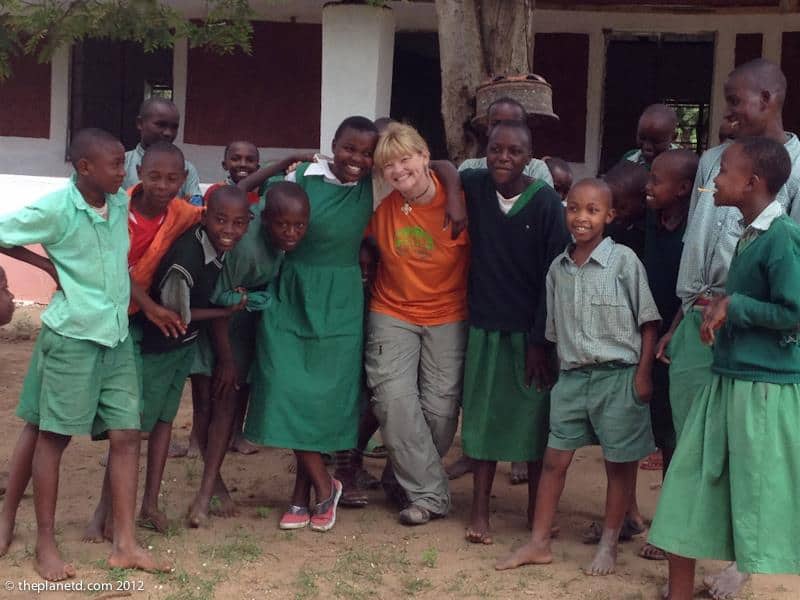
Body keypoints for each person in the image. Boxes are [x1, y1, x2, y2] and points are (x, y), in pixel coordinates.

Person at [655, 59, 800, 599]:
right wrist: (683, 318)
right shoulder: (725, 171)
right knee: (693, 463)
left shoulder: (777, 226)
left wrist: (734, 305)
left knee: (754, 476)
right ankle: (682, 580)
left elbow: (791, 298)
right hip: (709, 338)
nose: (729, 111)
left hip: (761, 370)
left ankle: (741, 564)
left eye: (737, 99)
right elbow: (701, 254)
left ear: (769, 98)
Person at [0, 128, 169, 580]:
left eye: (124, 162)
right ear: (84, 168)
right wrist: (43, 264)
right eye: (115, 165)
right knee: (52, 436)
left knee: (127, 435)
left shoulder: (117, 203)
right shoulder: (57, 208)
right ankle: (45, 542)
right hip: (73, 336)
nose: (124, 171)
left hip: (114, 338)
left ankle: (126, 543)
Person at [496, 178, 660, 576]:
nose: (581, 217)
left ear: (610, 215)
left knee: (618, 463)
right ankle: (538, 541)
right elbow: (553, 332)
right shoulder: (559, 268)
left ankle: (609, 542)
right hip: (571, 379)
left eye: (592, 210)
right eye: (573, 208)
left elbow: (648, 324)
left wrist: (642, 376)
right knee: (554, 460)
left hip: (618, 378)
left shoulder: (624, 262)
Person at [459, 120, 569, 544]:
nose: (503, 158)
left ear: (530, 157)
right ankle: (480, 511)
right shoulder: (475, 184)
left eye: (514, 152)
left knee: (532, 423)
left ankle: (534, 510)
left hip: (529, 334)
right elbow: (441, 169)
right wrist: (453, 197)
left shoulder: (544, 204)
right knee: (483, 421)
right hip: (485, 326)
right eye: (495, 150)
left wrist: (541, 341)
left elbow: (553, 276)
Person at [187, 180, 311, 528]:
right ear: (263, 219)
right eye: (282, 224)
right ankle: (207, 492)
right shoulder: (245, 246)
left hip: (243, 328)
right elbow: (220, 299)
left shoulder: (281, 246)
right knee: (209, 406)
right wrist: (226, 359)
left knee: (229, 408)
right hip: (216, 329)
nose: (290, 232)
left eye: (298, 226)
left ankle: (210, 486)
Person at [363, 122, 469, 525]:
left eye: (406, 158)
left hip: (448, 315)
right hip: (392, 312)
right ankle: (429, 497)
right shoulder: (383, 209)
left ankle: (401, 478)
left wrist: (453, 187)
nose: (398, 170)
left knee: (440, 411)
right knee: (393, 400)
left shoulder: (460, 199)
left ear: (425, 157)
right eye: (388, 165)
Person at [134, 185, 251, 533]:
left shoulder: (215, 247)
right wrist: (223, 311)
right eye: (221, 220)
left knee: (162, 426)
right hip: (158, 348)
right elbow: (173, 314)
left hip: (179, 348)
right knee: (133, 433)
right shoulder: (187, 256)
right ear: (205, 216)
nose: (229, 229)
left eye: (239, 223)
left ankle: (149, 506)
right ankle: (107, 514)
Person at [637, 149, 699, 562]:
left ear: (682, 189)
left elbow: (691, 292)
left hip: (672, 344)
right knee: (654, 430)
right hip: (644, 337)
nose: (648, 185)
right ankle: (630, 516)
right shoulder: (648, 225)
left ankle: (671, 527)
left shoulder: (694, 233)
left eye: (657, 180)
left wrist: (671, 333)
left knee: (676, 438)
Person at [122, 97, 203, 205]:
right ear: (140, 123)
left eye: (174, 127)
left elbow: (196, 208)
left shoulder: (186, 168)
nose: (168, 133)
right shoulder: (122, 163)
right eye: (161, 125)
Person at [459, 97, 554, 186]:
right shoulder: (470, 167)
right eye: (496, 124)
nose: (503, 130)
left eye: (512, 124)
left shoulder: (536, 169)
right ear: (487, 128)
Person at [604, 161, 649, 258]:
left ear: (642, 200)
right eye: (610, 205)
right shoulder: (609, 222)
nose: (615, 213)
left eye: (622, 207)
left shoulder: (648, 229)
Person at [622, 104, 679, 169]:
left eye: (656, 141)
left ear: (673, 137)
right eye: (642, 138)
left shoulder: (681, 165)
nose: (647, 147)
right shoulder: (629, 158)